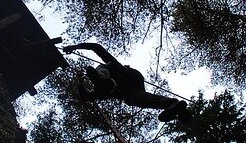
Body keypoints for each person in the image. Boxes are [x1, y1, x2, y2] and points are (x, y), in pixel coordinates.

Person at [63, 43, 191, 122]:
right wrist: (80, 83)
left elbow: (96, 47)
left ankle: (101, 77)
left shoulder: (110, 67)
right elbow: (84, 97)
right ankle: (172, 105)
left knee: (107, 71)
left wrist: (74, 47)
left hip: (129, 77)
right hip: (132, 89)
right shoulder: (105, 93)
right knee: (138, 99)